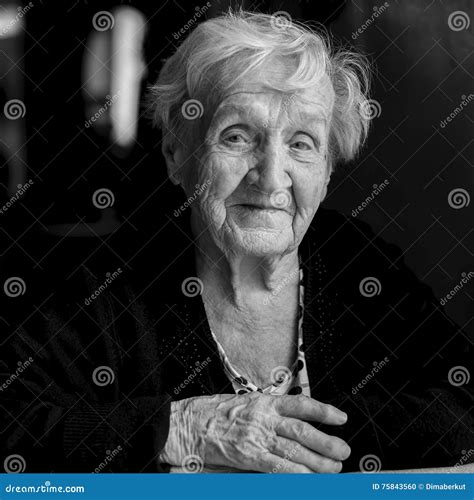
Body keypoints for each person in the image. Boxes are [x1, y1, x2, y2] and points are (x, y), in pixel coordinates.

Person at [0, 10, 472, 474]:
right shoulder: (106, 285)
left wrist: (286, 436)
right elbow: (12, 420)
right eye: (237, 136)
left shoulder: (355, 261)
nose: (270, 179)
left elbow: (463, 398)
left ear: (327, 171)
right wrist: (178, 429)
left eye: (302, 143)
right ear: (177, 153)